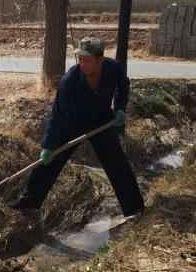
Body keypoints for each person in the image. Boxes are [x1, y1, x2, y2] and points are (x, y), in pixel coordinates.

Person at [13, 37, 145, 218]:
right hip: (72, 123)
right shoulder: (70, 80)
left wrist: (120, 108)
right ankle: (28, 205)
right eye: (80, 59)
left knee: (117, 163)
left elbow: (123, 85)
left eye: (87, 60)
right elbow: (58, 115)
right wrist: (49, 146)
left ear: (100, 60)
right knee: (50, 162)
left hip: (100, 120)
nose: (82, 64)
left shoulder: (112, 69)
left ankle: (134, 209)